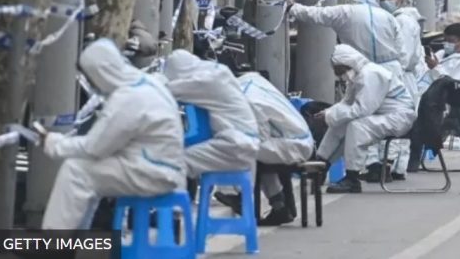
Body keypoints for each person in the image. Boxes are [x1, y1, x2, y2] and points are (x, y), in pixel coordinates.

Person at [41, 39, 185, 229]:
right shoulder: (146, 83)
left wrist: (54, 143)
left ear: (99, 73)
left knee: (76, 170)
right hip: (162, 167)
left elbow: (95, 148)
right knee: (90, 175)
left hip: (154, 173)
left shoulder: (128, 98)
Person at [215, 72, 315, 226]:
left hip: (293, 145)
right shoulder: (253, 86)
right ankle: (279, 206)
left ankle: (238, 194)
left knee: (244, 147)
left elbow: (258, 136)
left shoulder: (248, 99)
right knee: (258, 155)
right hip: (298, 141)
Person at [314, 45, 416, 193]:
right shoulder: (358, 75)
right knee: (340, 123)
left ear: (350, 63)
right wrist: (327, 113)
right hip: (383, 115)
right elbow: (346, 103)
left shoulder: (371, 75)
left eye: (342, 71)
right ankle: (321, 163)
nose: (341, 76)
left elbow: (362, 110)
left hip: (399, 118)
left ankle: (352, 178)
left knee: (357, 127)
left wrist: (330, 115)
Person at [164, 50, 260, 179]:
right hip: (245, 142)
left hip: (234, 144)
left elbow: (166, 90)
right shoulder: (218, 71)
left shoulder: (205, 81)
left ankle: (174, 198)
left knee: (174, 163)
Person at [290, 0, 406, 77]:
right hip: (391, 72)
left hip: (363, 72)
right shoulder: (388, 17)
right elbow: (401, 47)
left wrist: (292, 8)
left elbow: (316, 14)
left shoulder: (346, 12)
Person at [372, 0, 426, 181]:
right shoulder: (403, 20)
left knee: (394, 124)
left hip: (400, 77)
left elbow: (402, 55)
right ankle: (397, 167)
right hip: (404, 78)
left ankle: (388, 165)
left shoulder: (401, 21)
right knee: (402, 125)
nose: (386, 2)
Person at [419, 23, 460, 91]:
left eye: (450, 41)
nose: (446, 44)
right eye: (445, 40)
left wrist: (436, 68)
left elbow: (452, 88)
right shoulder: (441, 53)